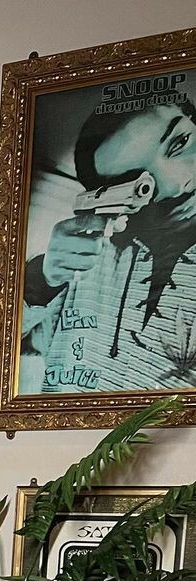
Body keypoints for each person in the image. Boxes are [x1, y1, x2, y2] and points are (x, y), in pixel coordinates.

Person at [23, 97, 196, 393]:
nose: (176, 183)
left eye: (180, 142)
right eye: (140, 184)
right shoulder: (86, 262)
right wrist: (42, 280)